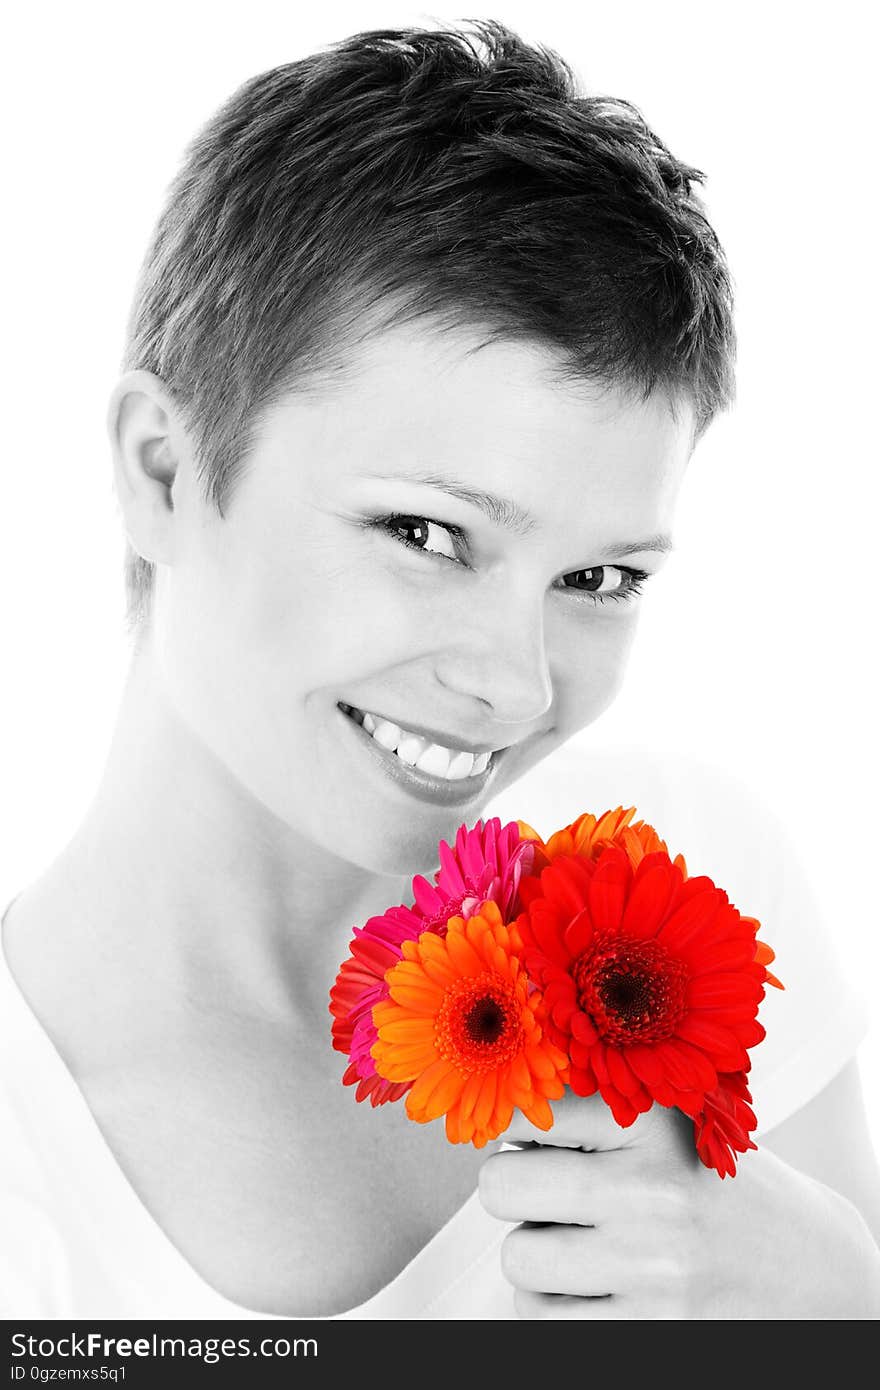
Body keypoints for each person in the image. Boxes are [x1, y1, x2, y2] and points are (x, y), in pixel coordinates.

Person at [1, 19, 878, 1321]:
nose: (522, 687)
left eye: (600, 579)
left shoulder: (689, 870)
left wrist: (833, 1290)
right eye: (428, 534)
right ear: (164, 472)